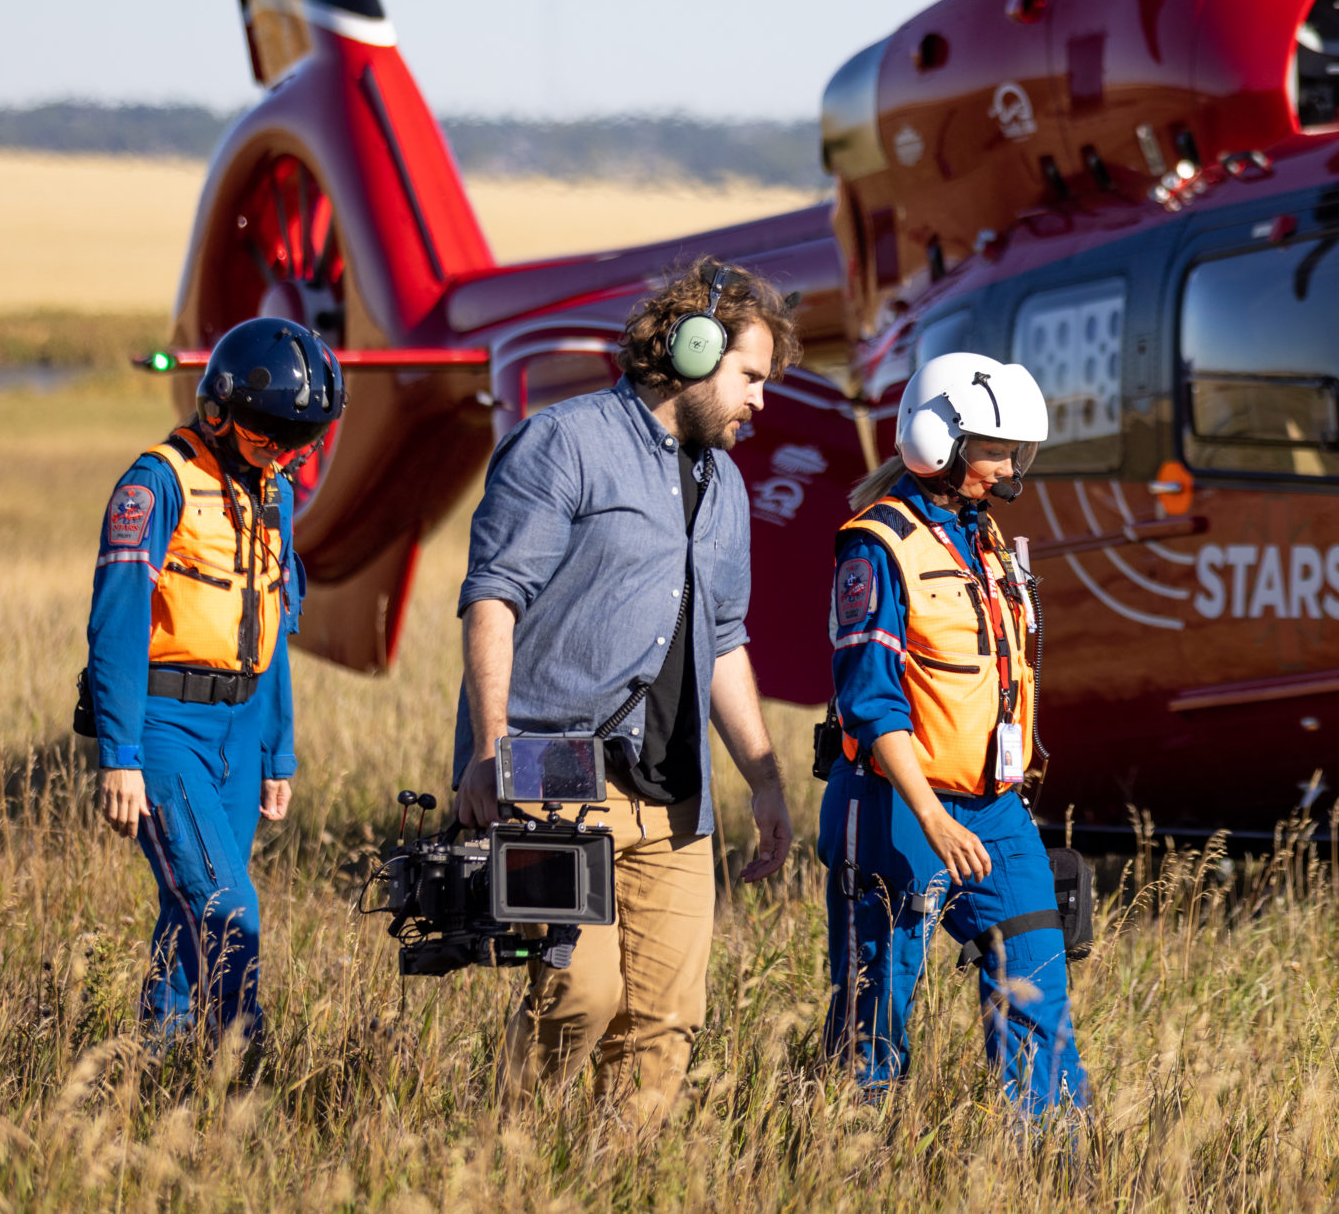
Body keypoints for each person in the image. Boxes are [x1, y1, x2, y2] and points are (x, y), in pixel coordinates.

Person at [454, 258, 798, 1118]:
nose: (761, 401)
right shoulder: (563, 443)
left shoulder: (726, 487)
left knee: (667, 1026)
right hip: (551, 773)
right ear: (690, 350)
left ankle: (615, 1185)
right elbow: (493, 595)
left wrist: (764, 777)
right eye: (750, 377)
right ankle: (507, 1162)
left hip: (678, 797)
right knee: (578, 998)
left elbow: (724, 639)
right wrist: (492, 748)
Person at [819, 350, 1089, 1115]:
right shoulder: (877, 543)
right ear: (940, 441)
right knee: (877, 1012)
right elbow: (871, 704)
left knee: (1037, 984)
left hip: (994, 808)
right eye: (997, 448)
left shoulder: (988, 539)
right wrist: (931, 817)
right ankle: (856, 1166)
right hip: (895, 805)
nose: (1010, 466)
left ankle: (1052, 1171)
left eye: (1017, 450)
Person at [83, 315, 344, 1049]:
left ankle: (153, 1067)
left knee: (185, 905)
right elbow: (117, 626)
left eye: (303, 439)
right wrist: (120, 755)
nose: (286, 452)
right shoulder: (155, 484)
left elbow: (273, 628)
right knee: (230, 909)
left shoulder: (275, 496)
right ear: (221, 408)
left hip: (243, 728)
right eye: (272, 434)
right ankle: (242, 1063)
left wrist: (277, 754)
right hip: (166, 730)